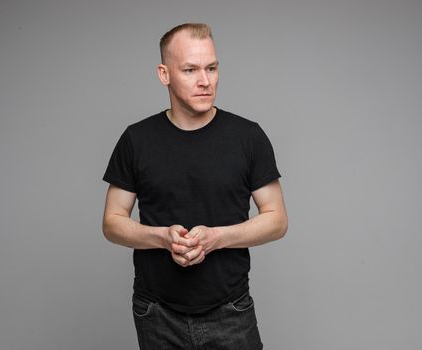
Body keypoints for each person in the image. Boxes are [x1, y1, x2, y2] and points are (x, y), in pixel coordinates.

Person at [102, 23, 288, 349]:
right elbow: (112, 222)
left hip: (230, 309)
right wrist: (161, 237)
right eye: (190, 70)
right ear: (164, 74)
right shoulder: (136, 139)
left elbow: (277, 219)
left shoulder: (248, 137)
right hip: (156, 312)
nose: (205, 81)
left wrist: (216, 238)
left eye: (211, 68)